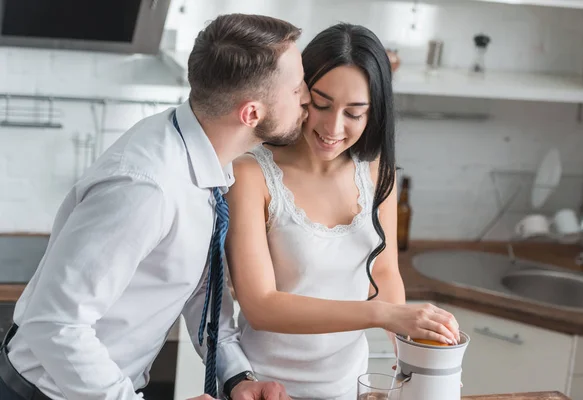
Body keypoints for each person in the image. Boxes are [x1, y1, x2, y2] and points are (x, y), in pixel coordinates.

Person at [0, 14, 310, 400]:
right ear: (251, 113)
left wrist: (237, 376)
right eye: (297, 90)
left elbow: (198, 288)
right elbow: (55, 323)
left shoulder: (205, 156)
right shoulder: (147, 186)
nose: (307, 98)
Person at [224, 23, 461, 400]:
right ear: (300, 92)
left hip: (349, 388)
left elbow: (383, 272)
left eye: (354, 113)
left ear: (374, 114)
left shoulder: (376, 172)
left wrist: (411, 347)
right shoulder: (250, 175)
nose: (333, 127)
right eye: (321, 104)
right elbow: (261, 306)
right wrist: (383, 315)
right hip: (265, 389)